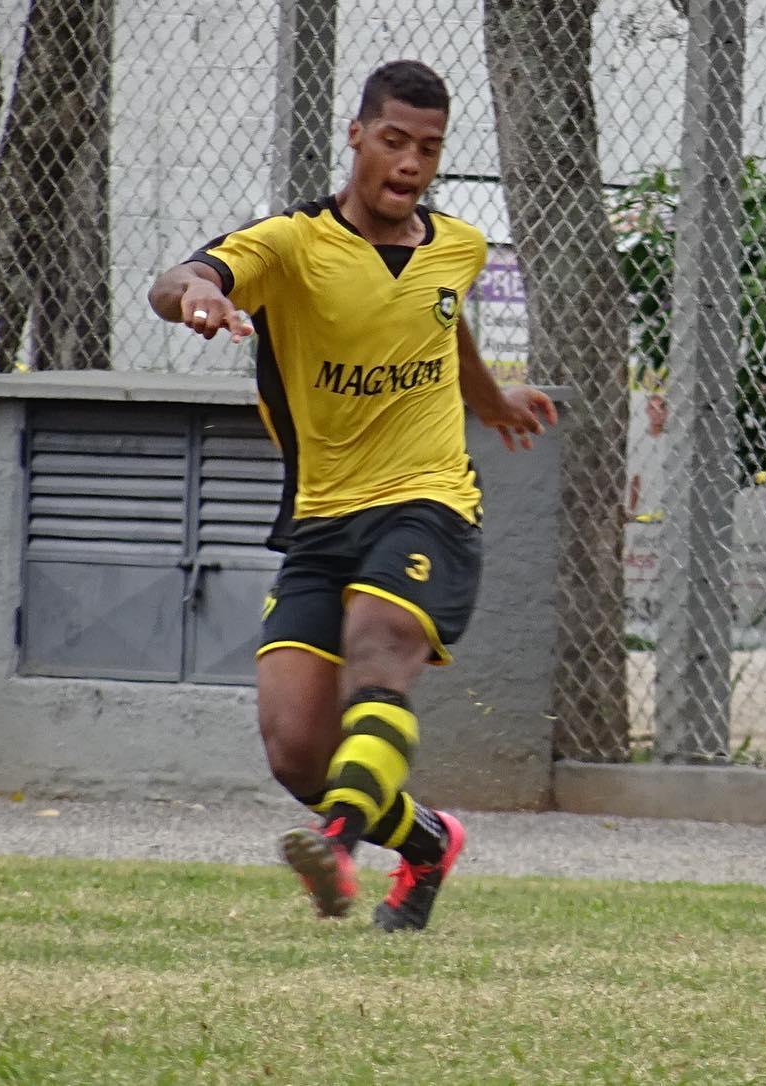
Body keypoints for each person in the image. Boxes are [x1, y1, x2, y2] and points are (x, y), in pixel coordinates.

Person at [148, 60, 557, 931]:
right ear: (358, 136)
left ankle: (335, 844)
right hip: (321, 518)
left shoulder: (461, 246)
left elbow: (443, 324)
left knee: (378, 649)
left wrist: (489, 402)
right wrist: (202, 298)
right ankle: (427, 841)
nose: (411, 164)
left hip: (430, 503)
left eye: (430, 149)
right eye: (396, 142)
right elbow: (181, 276)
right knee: (297, 749)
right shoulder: (293, 245)